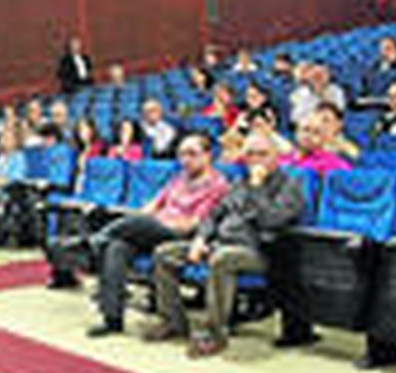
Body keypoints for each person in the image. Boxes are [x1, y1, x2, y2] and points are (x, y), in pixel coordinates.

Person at [148, 134, 306, 358]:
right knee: (164, 254)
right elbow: (214, 215)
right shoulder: (238, 184)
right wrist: (200, 239)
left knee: (222, 259)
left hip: (257, 250)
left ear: (276, 157)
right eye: (250, 154)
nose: (256, 159)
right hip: (219, 243)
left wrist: (257, 187)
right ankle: (173, 321)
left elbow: (271, 220)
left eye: (262, 154)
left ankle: (215, 334)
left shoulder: (290, 185)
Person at [83, 134, 228, 337]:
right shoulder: (179, 178)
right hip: (154, 229)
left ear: (208, 156)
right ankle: (112, 318)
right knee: (117, 247)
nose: (186, 159)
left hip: (182, 235)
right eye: (182, 155)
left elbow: (197, 222)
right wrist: (141, 221)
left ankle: (93, 242)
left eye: (192, 154)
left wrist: (156, 222)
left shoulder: (217, 185)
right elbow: (154, 204)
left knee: (137, 225)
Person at [282, 109, 352, 175]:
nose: (309, 135)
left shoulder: (332, 163)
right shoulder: (283, 159)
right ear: (297, 132)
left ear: (323, 139)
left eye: (316, 133)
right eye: (306, 129)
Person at [358, 36, 396, 103]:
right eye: (383, 49)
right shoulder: (372, 69)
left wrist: (372, 100)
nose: (385, 52)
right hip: (369, 106)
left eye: (389, 49)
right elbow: (362, 92)